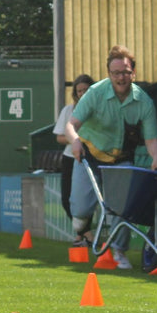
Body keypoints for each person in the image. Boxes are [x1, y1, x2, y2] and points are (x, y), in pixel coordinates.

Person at [63, 45, 157, 271]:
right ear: (109, 74)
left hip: (121, 160)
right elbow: (71, 125)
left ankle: (119, 251)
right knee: (79, 211)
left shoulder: (144, 102)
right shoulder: (95, 93)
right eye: (116, 73)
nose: (121, 77)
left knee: (123, 206)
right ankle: (82, 229)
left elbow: (151, 139)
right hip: (89, 157)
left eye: (126, 72)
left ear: (133, 73)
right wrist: (75, 141)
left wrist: (156, 159)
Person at [52, 74, 95, 244]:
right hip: (70, 157)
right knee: (66, 199)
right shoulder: (68, 111)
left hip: (90, 157)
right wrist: (75, 139)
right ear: (75, 94)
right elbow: (59, 137)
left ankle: (80, 235)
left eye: (86, 90)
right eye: (79, 91)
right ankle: (86, 233)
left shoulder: (97, 111)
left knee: (87, 199)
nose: (83, 93)